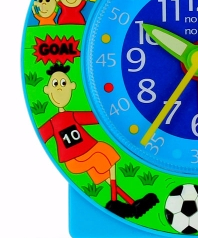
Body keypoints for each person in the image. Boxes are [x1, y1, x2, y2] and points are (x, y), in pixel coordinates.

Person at [39, 62, 159, 218]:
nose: (60, 89)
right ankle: (115, 203)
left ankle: (128, 203)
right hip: (75, 160)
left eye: (63, 83)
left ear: (72, 86)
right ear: (47, 90)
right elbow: (43, 134)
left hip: (89, 151)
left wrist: (119, 112)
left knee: (107, 171)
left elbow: (95, 117)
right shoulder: (53, 122)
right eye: (55, 84)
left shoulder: (72, 115)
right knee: (106, 154)